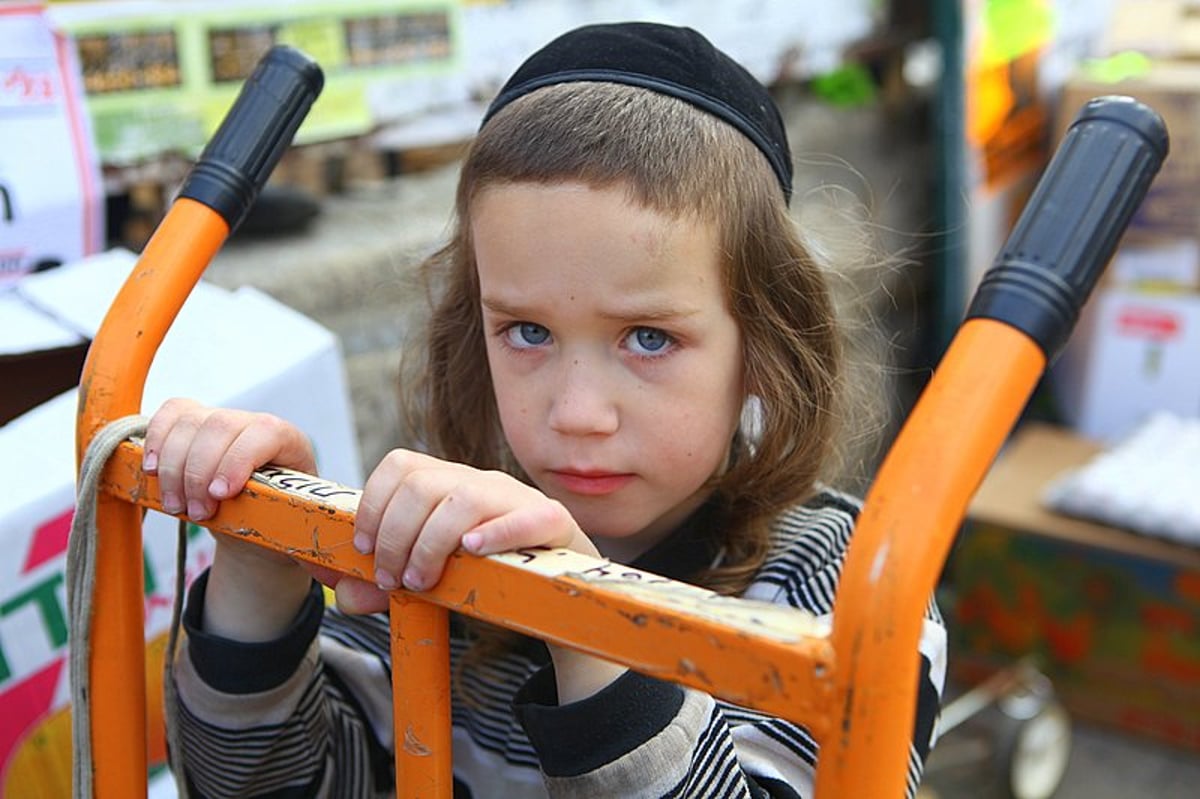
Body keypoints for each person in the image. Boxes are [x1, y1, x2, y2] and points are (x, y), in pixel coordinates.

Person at [145, 21, 945, 798]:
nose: (577, 412)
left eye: (648, 338)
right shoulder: (434, 550)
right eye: (527, 331)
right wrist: (257, 566)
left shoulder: (842, 586)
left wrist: (579, 611)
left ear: (762, 351)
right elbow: (272, 785)